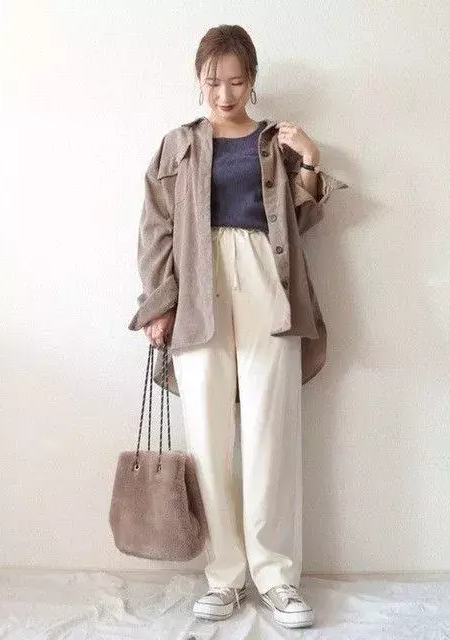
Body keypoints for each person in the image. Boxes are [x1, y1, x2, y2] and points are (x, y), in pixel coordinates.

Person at [131, 24, 348, 630]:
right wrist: (160, 303)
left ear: (252, 80)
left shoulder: (275, 143)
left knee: (271, 432)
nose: (224, 94)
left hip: (265, 281)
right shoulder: (178, 145)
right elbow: (155, 227)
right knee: (208, 435)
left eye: (235, 81)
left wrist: (311, 160)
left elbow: (303, 222)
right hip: (198, 289)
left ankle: (276, 578)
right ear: (198, 80)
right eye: (212, 82)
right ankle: (224, 577)